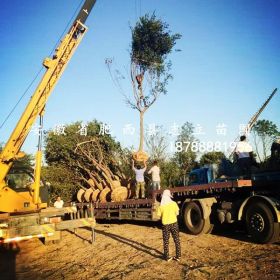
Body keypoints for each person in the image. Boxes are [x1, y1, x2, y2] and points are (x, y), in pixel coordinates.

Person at [157, 190, 181, 262]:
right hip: (174, 223)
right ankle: (178, 256)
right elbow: (177, 213)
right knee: (176, 240)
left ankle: (167, 257)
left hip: (165, 225)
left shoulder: (161, 206)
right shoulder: (174, 204)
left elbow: (159, 216)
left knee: (166, 241)